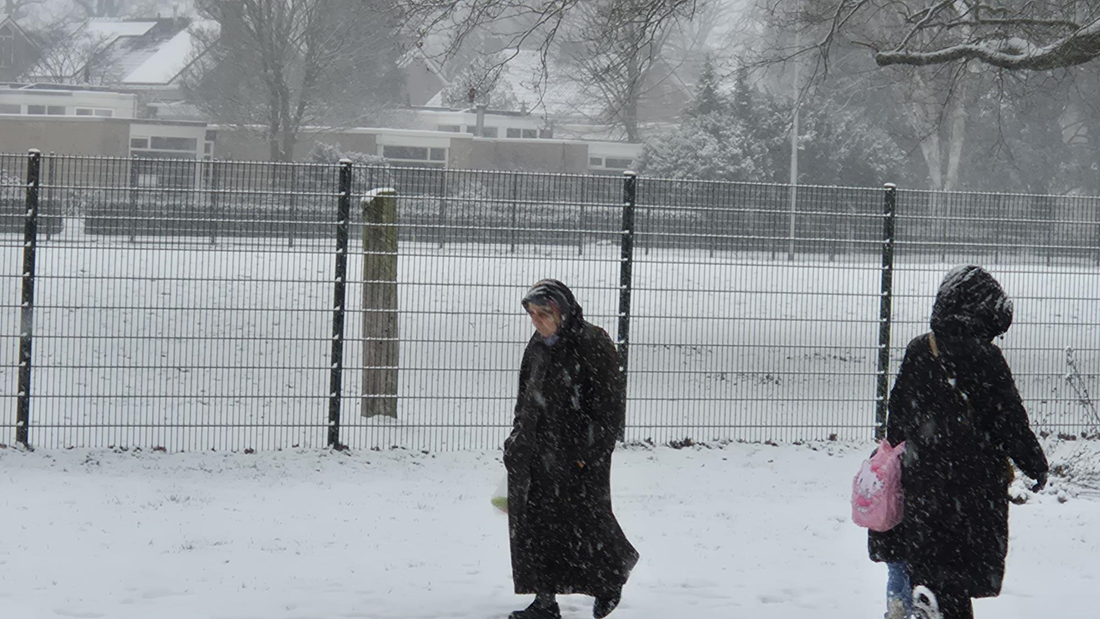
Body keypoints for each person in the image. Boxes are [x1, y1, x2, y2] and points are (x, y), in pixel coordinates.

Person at [869, 265, 1049, 619]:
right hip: (972, 489)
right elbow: (1009, 420)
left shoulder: (921, 349)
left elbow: (899, 414)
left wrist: (899, 457)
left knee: (928, 564)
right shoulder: (986, 358)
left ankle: (924, 605)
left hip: (923, 482)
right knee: (957, 577)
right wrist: (1034, 464)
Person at [503, 279, 639, 619]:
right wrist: (516, 440)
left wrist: (584, 454)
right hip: (534, 451)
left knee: (586, 523)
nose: (536, 321)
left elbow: (608, 409)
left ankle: (610, 577)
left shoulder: (593, 343)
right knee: (534, 525)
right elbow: (525, 398)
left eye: (543, 314)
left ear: (562, 311)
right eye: (531, 314)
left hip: (576, 456)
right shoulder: (538, 344)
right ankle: (545, 601)